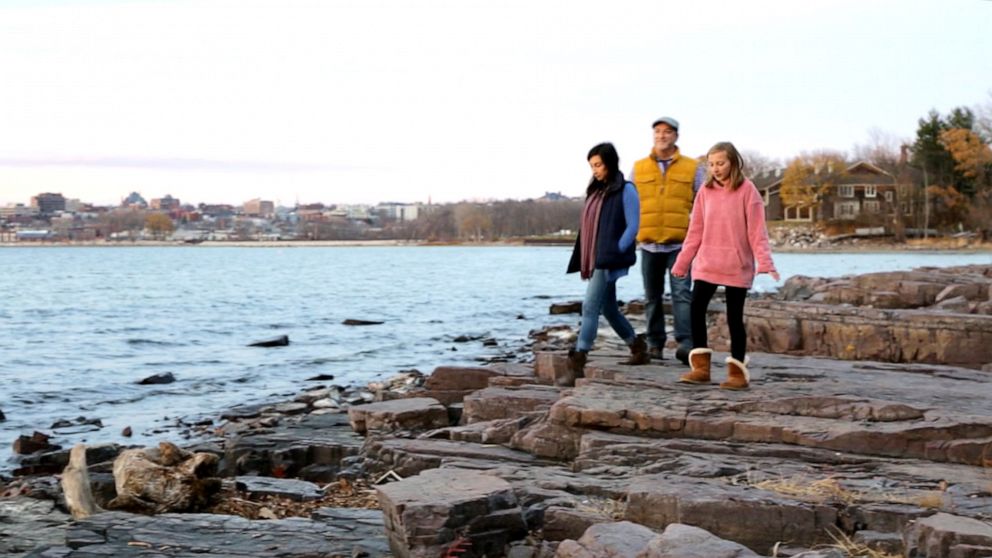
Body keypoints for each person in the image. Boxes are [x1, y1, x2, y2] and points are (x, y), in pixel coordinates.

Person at [671, 141, 780, 390]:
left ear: (733, 162)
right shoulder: (705, 192)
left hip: (736, 266)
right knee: (696, 309)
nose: (716, 168)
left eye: (721, 163)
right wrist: (683, 262)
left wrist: (765, 262)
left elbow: (757, 232)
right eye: (711, 164)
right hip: (707, 264)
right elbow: (695, 231)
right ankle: (700, 368)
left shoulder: (747, 191)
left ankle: (737, 373)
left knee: (734, 318)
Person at [564, 142, 649, 385]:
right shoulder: (596, 191)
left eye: (599, 165)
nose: (595, 170)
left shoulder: (626, 190)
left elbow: (633, 225)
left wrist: (616, 249)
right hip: (595, 257)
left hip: (606, 258)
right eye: (592, 166)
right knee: (608, 308)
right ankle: (637, 347)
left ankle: (578, 361)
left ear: (610, 162)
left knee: (589, 307)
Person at [630, 117, 706, 365]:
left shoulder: (693, 167)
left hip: (680, 244)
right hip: (649, 243)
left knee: (682, 295)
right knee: (652, 297)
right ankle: (655, 344)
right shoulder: (639, 168)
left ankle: (686, 344)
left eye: (667, 132)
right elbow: (629, 202)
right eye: (658, 131)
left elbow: (706, 201)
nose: (662, 135)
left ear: (676, 136)